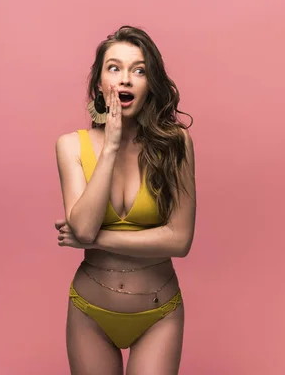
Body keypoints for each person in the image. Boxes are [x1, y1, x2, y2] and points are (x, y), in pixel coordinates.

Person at [54, 25, 196, 375]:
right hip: (91, 313)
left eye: (139, 70)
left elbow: (179, 240)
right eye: (114, 68)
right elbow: (82, 227)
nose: (126, 79)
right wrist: (112, 145)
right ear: (100, 84)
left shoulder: (175, 143)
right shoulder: (70, 146)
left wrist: (98, 239)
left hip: (158, 314)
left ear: (151, 84)